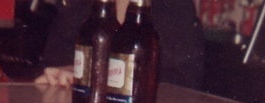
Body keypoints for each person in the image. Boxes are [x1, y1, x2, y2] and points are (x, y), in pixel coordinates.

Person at [34, 0, 205, 89]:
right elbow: (53, 63)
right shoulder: (79, 6)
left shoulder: (172, 7)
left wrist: (92, 75)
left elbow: (180, 85)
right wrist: (65, 75)